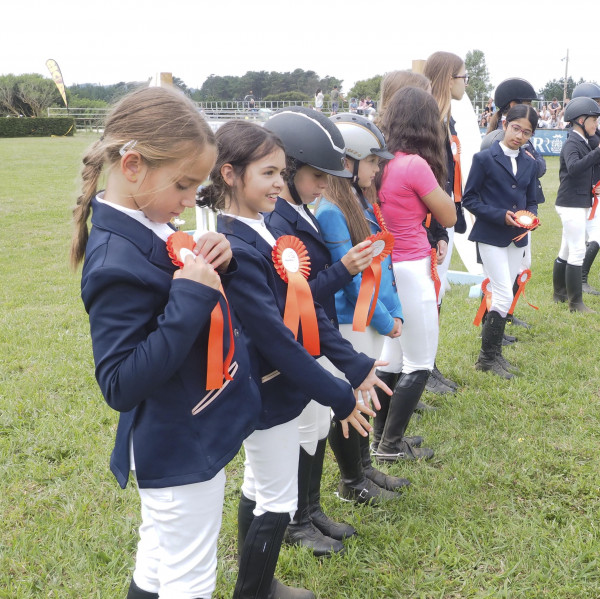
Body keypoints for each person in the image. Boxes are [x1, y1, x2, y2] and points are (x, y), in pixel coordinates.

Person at [72, 86, 261, 599]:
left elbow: (178, 280)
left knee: (158, 562)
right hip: (176, 443)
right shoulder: (113, 259)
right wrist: (189, 300)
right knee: (189, 577)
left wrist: (219, 257)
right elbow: (118, 382)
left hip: (187, 428)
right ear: (132, 165)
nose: (188, 201)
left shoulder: (148, 221)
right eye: (183, 184)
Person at [203, 119, 383, 597]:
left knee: (260, 489)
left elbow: (303, 308)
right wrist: (340, 395)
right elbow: (279, 338)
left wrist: (354, 365)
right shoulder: (236, 247)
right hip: (266, 391)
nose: (279, 184)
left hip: (281, 386)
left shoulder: (262, 231)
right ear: (229, 174)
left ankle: (260, 584)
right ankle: (255, 591)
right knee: (276, 499)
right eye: (267, 173)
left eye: (282, 173)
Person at [259, 109, 387, 559]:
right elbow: (298, 298)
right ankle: (295, 518)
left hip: (315, 336)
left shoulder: (302, 211)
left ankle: (309, 508)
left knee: (314, 424)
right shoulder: (277, 223)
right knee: (301, 427)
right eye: (315, 176)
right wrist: (342, 271)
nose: (321, 185)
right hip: (298, 341)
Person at [317, 112, 413, 500]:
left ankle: (365, 470)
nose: (378, 169)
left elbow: (381, 264)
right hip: (351, 322)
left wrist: (394, 312)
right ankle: (351, 481)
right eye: (373, 161)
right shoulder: (332, 211)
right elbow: (356, 281)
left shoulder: (357, 201)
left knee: (363, 395)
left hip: (369, 318)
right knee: (350, 399)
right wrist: (387, 319)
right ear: (349, 162)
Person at [375, 86, 456, 461]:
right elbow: (449, 215)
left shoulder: (381, 161)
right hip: (411, 265)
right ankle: (391, 445)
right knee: (420, 361)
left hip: (389, 266)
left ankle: (380, 441)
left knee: (391, 357)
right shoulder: (414, 164)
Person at [463, 104, 540, 378]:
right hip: (490, 234)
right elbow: (470, 199)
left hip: (517, 237)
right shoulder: (484, 159)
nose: (520, 136)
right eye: (516, 128)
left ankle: (494, 354)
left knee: (506, 289)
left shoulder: (530, 163)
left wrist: (531, 217)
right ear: (505, 124)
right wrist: (500, 216)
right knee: (503, 293)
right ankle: (486, 358)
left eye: (527, 132)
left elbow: (531, 200)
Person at [424, 51, 469, 393]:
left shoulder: (447, 119)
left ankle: (429, 364)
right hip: (430, 222)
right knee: (428, 295)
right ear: (447, 78)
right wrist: (438, 227)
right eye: (462, 77)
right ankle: (420, 370)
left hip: (445, 217)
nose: (466, 83)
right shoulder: (430, 120)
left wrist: (457, 210)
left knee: (436, 295)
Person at [485, 77, 546, 328]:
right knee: (497, 275)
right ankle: (494, 319)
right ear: (512, 105)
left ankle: (505, 315)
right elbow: (537, 166)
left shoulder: (520, 136)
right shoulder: (499, 140)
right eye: (527, 103)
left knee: (520, 265)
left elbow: (539, 166)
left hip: (521, 211)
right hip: (502, 214)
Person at [552, 97, 600, 312]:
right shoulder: (572, 142)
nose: (596, 125)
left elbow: (583, 171)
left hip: (578, 200)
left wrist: (594, 185)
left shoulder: (581, 141)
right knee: (577, 250)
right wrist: (598, 153)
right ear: (580, 119)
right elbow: (573, 168)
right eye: (593, 121)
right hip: (571, 203)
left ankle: (559, 294)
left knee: (566, 249)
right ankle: (575, 303)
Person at [569, 82, 600, 283]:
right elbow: (581, 162)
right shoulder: (581, 137)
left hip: (593, 185)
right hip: (585, 190)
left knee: (590, 236)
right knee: (592, 236)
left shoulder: (592, 132)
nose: (598, 108)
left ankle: (578, 279)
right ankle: (580, 279)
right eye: (594, 104)